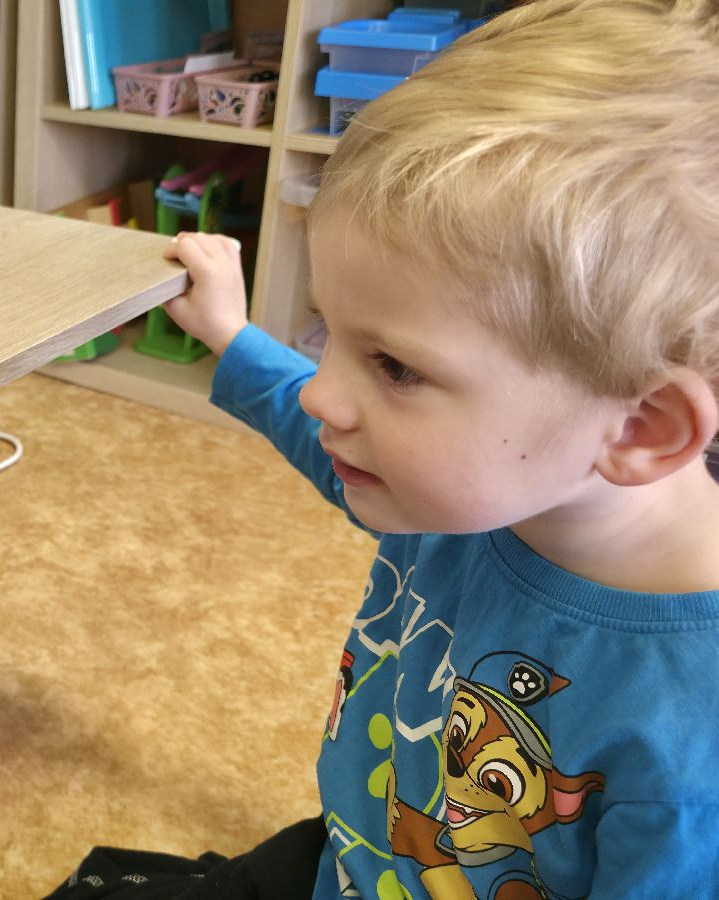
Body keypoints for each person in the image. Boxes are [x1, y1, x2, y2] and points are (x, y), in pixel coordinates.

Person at [46, 0, 719, 896]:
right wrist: (232, 337)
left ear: (639, 428)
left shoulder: (691, 754)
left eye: (395, 366)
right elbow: (322, 434)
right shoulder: (481, 485)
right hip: (356, 850)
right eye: (330, 329)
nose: (322, 393)